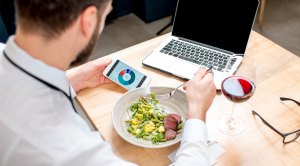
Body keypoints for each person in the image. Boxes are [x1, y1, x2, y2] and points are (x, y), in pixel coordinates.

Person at [0, 0, 216, 165]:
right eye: (107, 13)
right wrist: (197, 111)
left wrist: (72, 80)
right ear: (89, 21)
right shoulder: (69, 150)